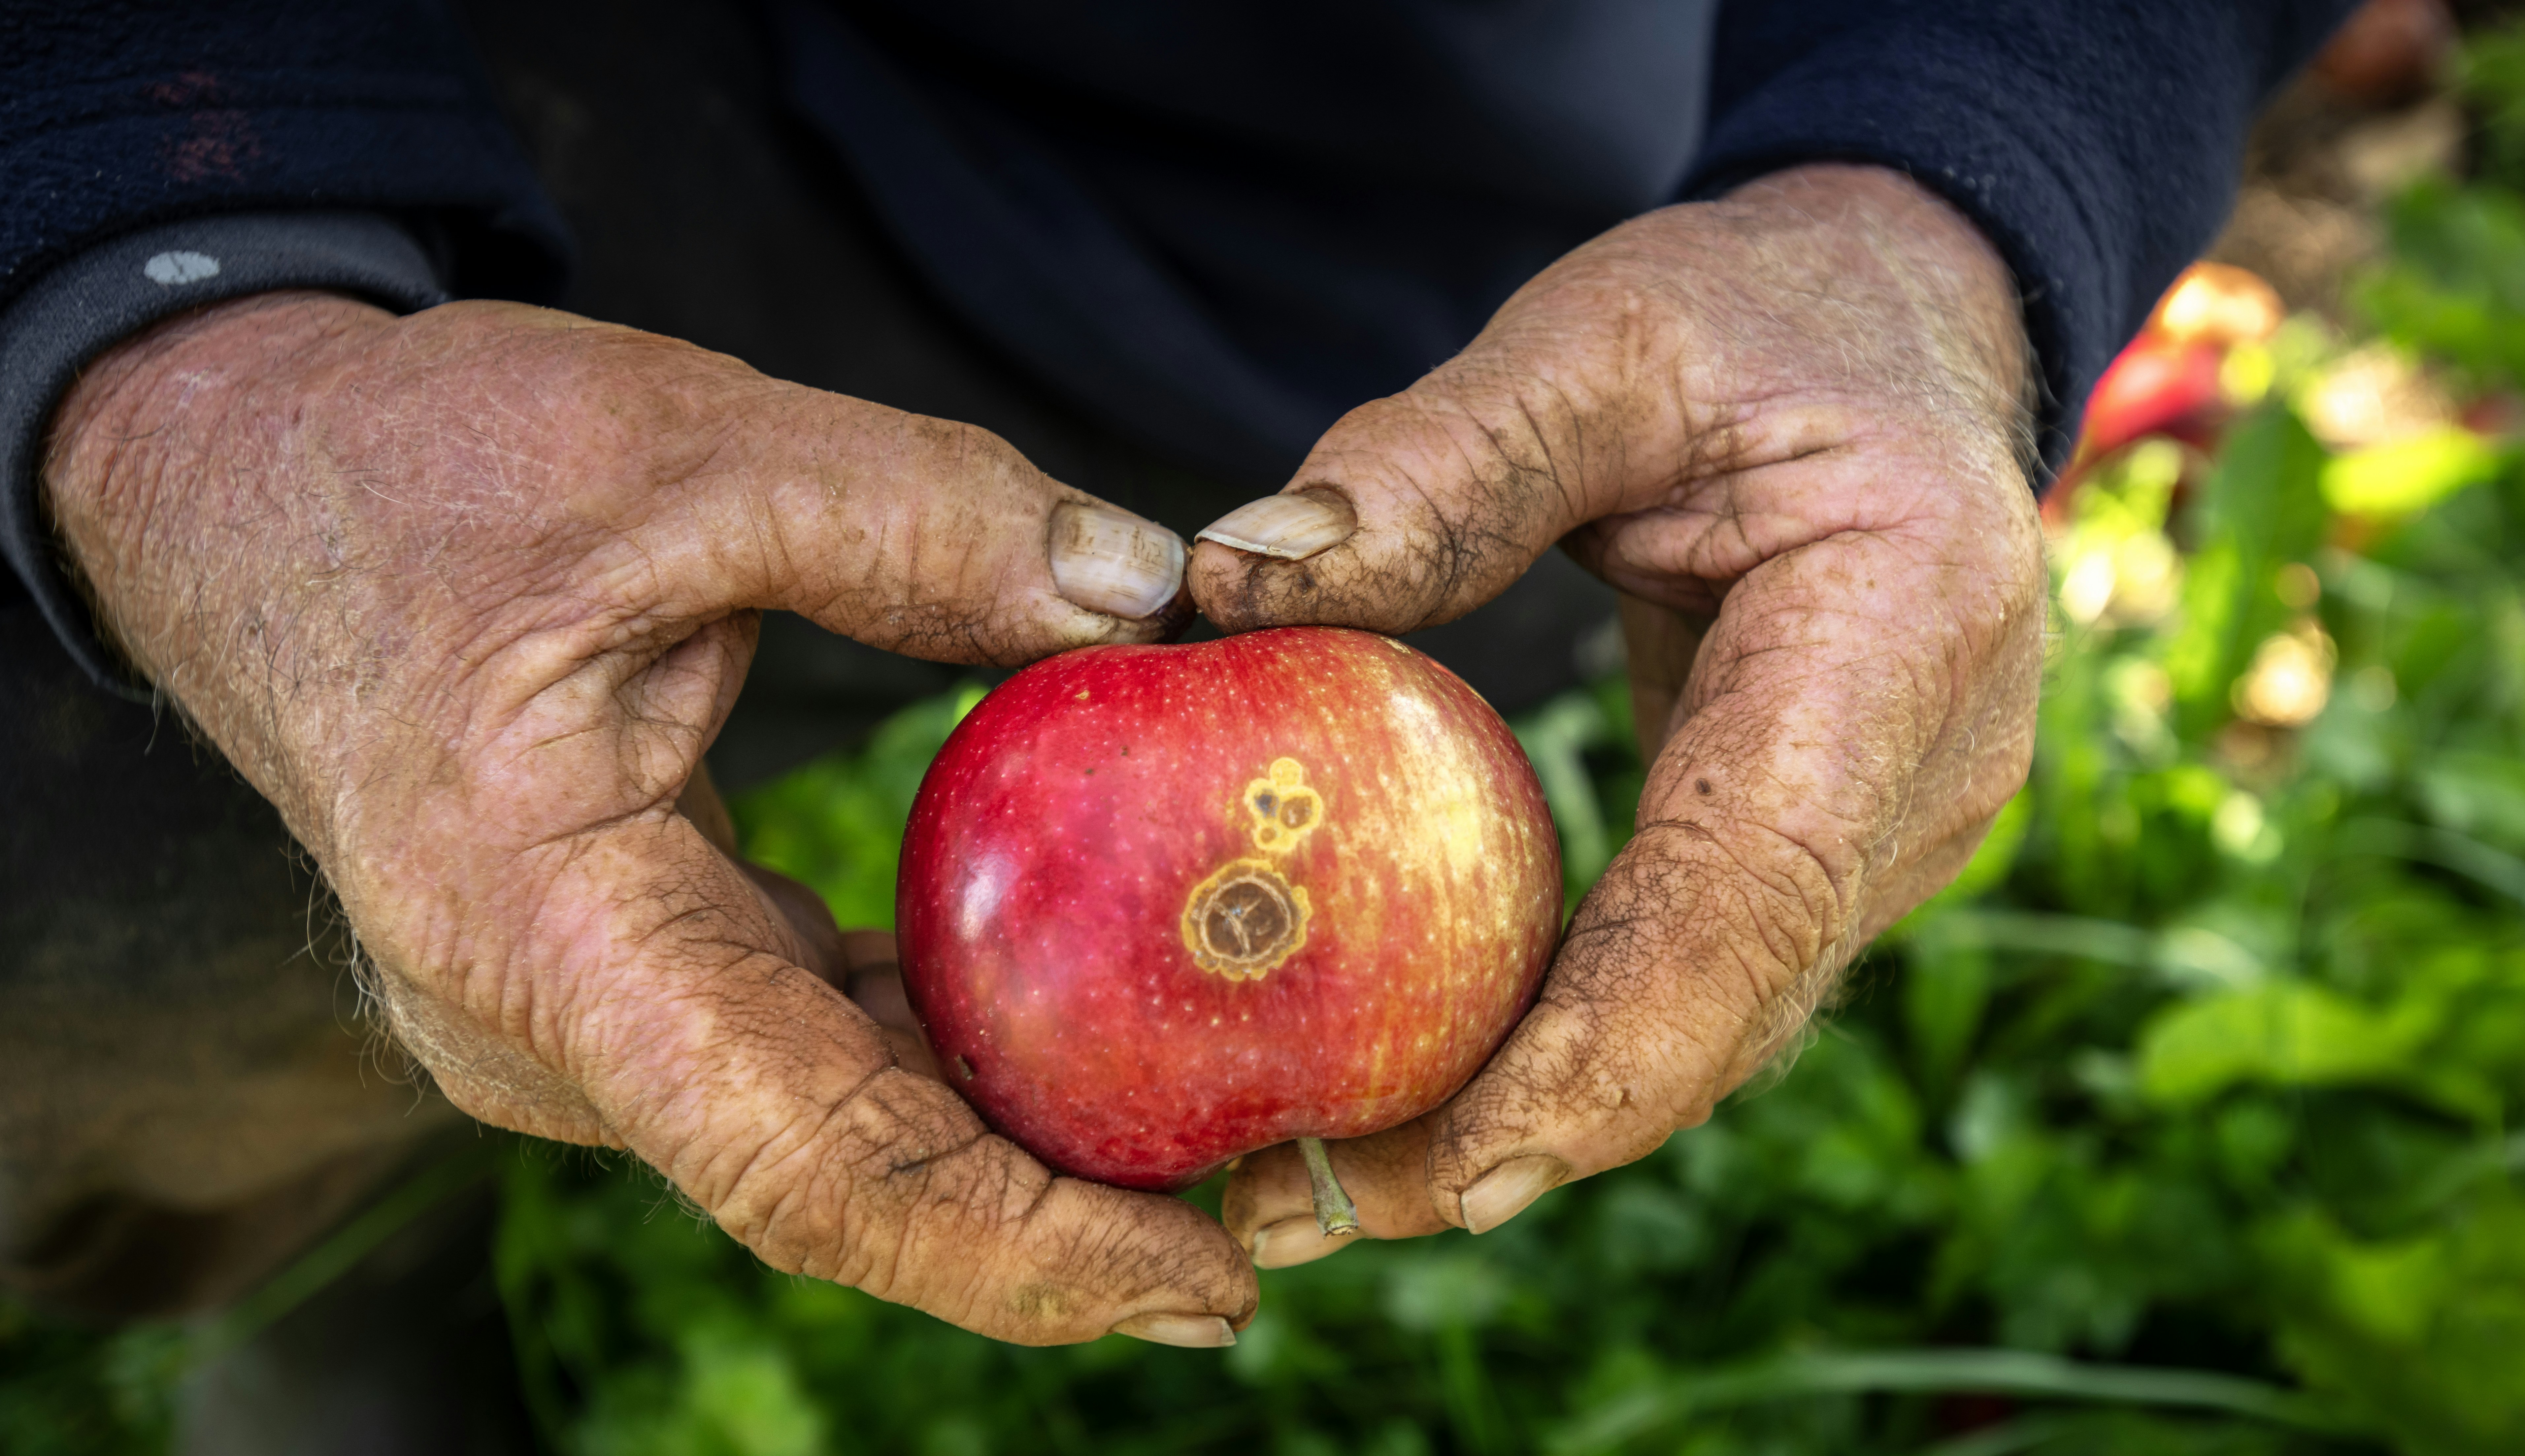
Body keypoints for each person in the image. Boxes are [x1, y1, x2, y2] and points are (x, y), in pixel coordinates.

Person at [3, 0, 2356, 1444]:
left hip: (1453, 214)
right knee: (127, 837)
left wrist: (1943, 177)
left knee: (1487, 568)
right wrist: (179, 307)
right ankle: (333, 1239)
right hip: (451, 106)